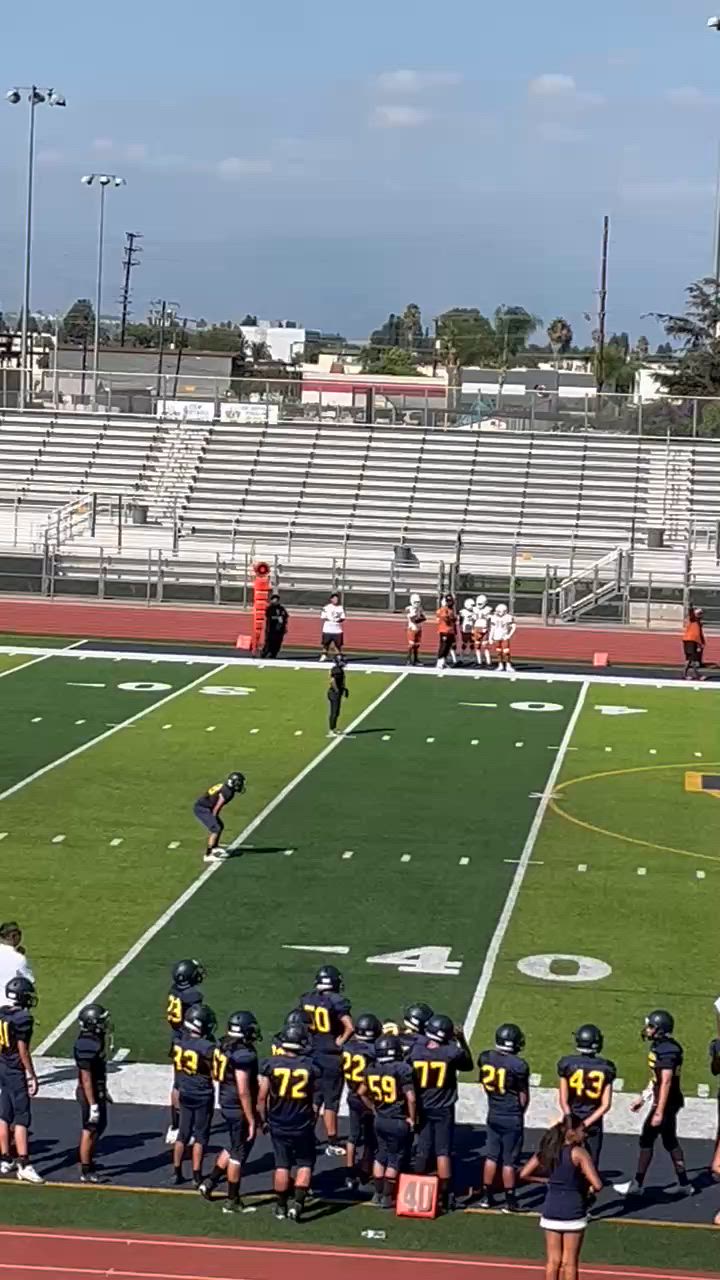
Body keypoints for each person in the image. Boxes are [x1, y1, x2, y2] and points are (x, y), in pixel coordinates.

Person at [520, 1117, 602, 1280]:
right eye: (582, 1130)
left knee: (553, 1261)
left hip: (551, 1208)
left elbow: (524, 1173)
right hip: (573, 1208)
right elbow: (597, 1184)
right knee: (570, 1262)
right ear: (572, 1132)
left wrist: (546, 1181)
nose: (585, 1135)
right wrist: (586, 1187)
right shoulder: (579, 1153)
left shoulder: (548, 1150)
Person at [409, 1014, 473, 1213]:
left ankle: (414, 1191)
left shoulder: (415, 1050)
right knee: (443, 1151)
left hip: (422, 1105)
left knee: (423, 1148)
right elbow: (468, 1065)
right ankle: (446, 1196)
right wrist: (461, 1039)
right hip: (443, 1106)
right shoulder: (451, 1052)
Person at [258, 1022, 321, 1222]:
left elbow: (262, 1098)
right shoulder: (310, 1066)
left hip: (278, 1122)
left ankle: (281, 1206)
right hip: (301, 1122)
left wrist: (262, 1120)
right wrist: (313, 1119)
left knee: (282, 1165)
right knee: (305, 1163)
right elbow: (316, 1100)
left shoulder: (271, 1064)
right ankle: (298, 1205)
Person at [626, 1009, 693, 1198]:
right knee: (669, 1141)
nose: (647, 1029)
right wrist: (644, 1097)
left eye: (651, 1026)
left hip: (667, 1102)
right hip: (666, 1100)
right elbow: (656, 1079)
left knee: (647, 1138)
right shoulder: (661, 1046)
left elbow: (666, 1082)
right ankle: (684, 1184)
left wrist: (659, 1111)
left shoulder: (667, 1051)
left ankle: (637, 1184)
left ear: (660, 1029)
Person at [200, 1010, 261, 1213]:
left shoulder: (222, 1045)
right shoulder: (242, 1054)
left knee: (234, 1145)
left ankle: (209, 1182)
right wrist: (251, 1118)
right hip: (237, 1105)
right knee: (238, 1154)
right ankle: (232, 1200)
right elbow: (243, 1089)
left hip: (226, 1100)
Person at [298, 965, 353, 1155]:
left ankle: (308, 1134)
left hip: (312, 1053)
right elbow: (350, 1027)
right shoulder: (336, 1001)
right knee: (331, 1101)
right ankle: (332, 1141)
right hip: (330, 1056)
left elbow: (302, 1023)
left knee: (315, 1097)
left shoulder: (307, 998)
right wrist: (339, 1042)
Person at [358, 1034, 416, 1209]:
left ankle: (377, 1193)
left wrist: (374, 1108)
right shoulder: (402, 1069)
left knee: (380, 1156)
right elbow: (411, 1098)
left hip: (380, 1119)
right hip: (397, 1119)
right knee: (394, 1159)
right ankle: (387, 1196)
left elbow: (361, 1092)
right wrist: (412, 1118)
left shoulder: (371, 1069)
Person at [477, 1022, 530, 1212]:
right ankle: (510, 1201)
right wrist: (520, 1112)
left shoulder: (485, 1058)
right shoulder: (518, 1065)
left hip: (493, 1112)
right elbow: (523, 1095)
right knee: (509, 1161)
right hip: (511, 1115)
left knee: (491, 1156)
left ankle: (486, 1197)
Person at [0, 976, 43, 1183]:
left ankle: (5, 1158)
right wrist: (31, 1074)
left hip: (2, 1066)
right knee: (21, 1118)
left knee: (4, 1114)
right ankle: (24, 1164)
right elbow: (23, 1051)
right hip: (15, 1070)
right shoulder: (23, 1019)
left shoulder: (2, 1013)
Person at [171, 1003, 217, 1188]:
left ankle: (176, 1172)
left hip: (185, 1091)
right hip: (202, 1093)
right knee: (200, 1136)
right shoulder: (207, 1047)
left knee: (182, 1134)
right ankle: (196, 1175)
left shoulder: (178, 1042)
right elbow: (216, 1072)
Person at [557, 1024, 616, 1168]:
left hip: (572, 1120)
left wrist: (570, 1120)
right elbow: (605, 1105)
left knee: (567, 1160)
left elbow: (563, 1100)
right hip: (593, 1122)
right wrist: (585, 1124)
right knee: (591, 1164)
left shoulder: (567, 1064)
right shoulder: (606, 1068)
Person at [165, 958, 206, 1144]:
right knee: (193, 1083)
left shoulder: (174, 990)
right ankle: (187, 1127)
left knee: (177, 1083)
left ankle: (175, 1126)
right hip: (189, 1041)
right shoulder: (193, 995)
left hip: (176, 1039)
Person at [341, 1012, 382, 1190]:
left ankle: (349, 1172)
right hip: (368, 1096)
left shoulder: (348, 1047)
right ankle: (365, 1171)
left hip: (352, 1094)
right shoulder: (373, 1051)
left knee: (353, 1135)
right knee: (370, 1138)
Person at [74, 1003, 112, 1183]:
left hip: (96, 1089)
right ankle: (86, 1169)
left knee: (100, 1125)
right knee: (90, 1129)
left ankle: (86, 1160)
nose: (104, 1024)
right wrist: (93, 1105)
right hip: (89, 1092)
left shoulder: (95, 1039)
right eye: (101, 1021)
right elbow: (86, 1078)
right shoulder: (86, 1045)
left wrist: (104, 1090)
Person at [192, 771, 246, 863]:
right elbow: (217, 806)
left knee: (220, 826)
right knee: (216, 829)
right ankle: (208, 854)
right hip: (202, 808)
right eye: (239, 783)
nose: (240, 785)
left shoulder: (225, 787)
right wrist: (214, 817)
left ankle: (214, 847)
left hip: (205, 807)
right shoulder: (227, 792)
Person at [0, 923, 34, 990]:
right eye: (20, 934)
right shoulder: (18, 958)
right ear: (13, 936)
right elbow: (28, 981)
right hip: (8, 995)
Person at [489, 603, 516, 673]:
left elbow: (514, 627)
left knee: (506, 652)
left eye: (499, 611)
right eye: (497, 611)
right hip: (496, 637)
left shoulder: (508, 617)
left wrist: (509, 635)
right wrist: (490, 637)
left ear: (504, 611)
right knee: (498, 652)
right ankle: (500, 665)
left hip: (504, 637)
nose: (497, 612)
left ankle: (508, 665)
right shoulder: (494, 617)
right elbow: (492, 628)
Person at [319, 593, 345, 661]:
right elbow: (323, 617)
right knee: (326, 644)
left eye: (337, 599)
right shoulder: (326, 607)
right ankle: (324, 655)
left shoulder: (340, 608)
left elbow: (343, 618)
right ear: (331, 599)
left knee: (338, 645)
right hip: (327, 630)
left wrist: (337, 620)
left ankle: (338, 656)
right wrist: (331, 620)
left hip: (337, 630)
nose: (336, 600)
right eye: (334, 599)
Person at [262, 594, 289, 660]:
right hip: (271, 629)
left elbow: (285, 616)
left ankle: (273, 654)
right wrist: (277, 618)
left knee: (277, 642)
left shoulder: (281, 608)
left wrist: (284, 626)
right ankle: (265, 653)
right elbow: (269, 616)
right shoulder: (269, 608)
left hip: (280, 629)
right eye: (274, 600)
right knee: (269, 642)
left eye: (277, 600)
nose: (275, 601)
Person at [327, 657, 349, 737]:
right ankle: (331, 730)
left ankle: (334, 728)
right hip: (334, 694)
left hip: (335, 693)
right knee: (334, 712)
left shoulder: (338, 669)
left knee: (336, 712)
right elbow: (332, 681)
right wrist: (337, 690)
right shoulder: (337, 670)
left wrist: (344, 689)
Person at [682, 606, 706, 681]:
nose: (701, 615)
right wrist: (690, 607)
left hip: (692, 641)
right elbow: (691, 614)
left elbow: (700, 634)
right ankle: (697, 675)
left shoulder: (698, 623)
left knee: (689, 659)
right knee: (692, 659)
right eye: (700, 614)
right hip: (690, 640)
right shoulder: (693, 619)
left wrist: (702, 643)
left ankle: (684, 675)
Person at [436, 594, 458, 671]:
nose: (450, 603)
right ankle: (439, 662)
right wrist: (453, 618)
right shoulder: (443, 609)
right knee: (444, 646)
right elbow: (445, 618)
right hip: (444, 630)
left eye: (450, 601)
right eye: (448, 601)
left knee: (448, 647)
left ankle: (443, 661)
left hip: (450, 630)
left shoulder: (451, 609)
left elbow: (452, 620)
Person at [405, 593, 426, 666]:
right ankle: (408, 660)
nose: (417, 604)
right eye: (415, 602)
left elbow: (423, 618)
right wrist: (420, 619)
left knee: (417, 645)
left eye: (418, 602)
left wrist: (420, 619)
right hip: (412, 629)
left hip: (419, 628)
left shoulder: (420, 608)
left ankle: (416, 660)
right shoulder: (409, 609)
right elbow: (414, 620)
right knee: (411, 645)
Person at [473, 596, 493, 668]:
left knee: (485, 647)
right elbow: (473, 619)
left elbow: (490, 620)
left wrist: (488, 628)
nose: (479, 605)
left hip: (484, 628)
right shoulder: (474, 609)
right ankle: (479, 662)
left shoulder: (488, 609)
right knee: (477, 646)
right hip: (477, 628)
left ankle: (488, 662)